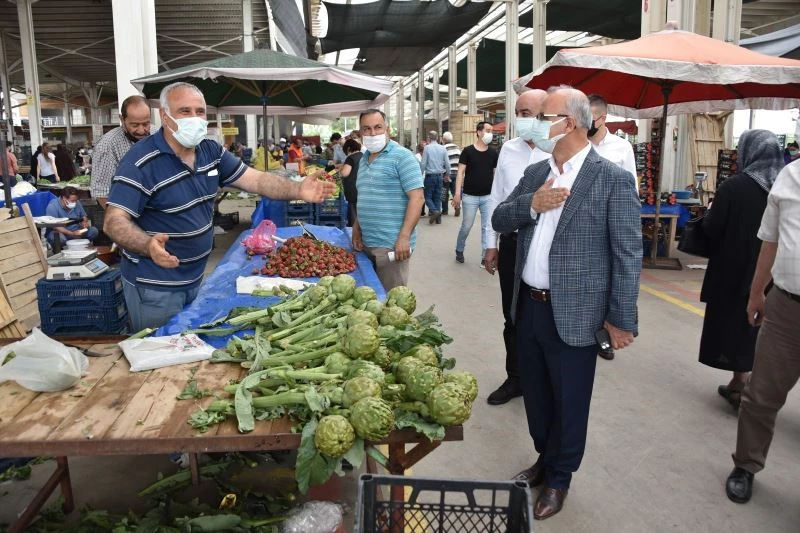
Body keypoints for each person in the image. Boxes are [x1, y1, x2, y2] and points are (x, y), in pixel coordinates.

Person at [492, 86, 641, 520]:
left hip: (575, 312)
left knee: (569, 399)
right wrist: (531, 205)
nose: (533, 125)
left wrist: (621, 319)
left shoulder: (610, 179)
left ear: (569, 123)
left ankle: (559, 478)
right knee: (536, 396)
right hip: (531, 307)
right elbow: (501, 217)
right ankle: (544, 456)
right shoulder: (538, 172)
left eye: (542, 116)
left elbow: (628, 253)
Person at [104, 82, 335, 332]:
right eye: (184, 111)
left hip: (194, 278)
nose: (195, 118)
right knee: (162, 356)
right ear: (164, 115)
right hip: (154, 287)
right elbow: (114, 220)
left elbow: (255, 179)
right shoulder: (140, 162)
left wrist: (298, 189)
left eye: (200, 111)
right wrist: (147, 245)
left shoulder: (209, 150)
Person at [725, 158, 800, 504]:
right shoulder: (791, 176)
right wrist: (757, 292)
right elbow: (769, 240)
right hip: (788, 307)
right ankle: (746, 465)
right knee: (762, 394)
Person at [700, 130, 784, 409]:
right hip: (776, 271)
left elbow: (712, 228)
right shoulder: (787, 186)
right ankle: (749, 383)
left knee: (737, 323)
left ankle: (741, 381)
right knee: (767, 328)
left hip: (732, 269)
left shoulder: (734, 187)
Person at [482, 89, 549, 406]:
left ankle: (542, 379)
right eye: (519, 113)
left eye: (529, 113)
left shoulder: (557, 151)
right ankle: (516, 378)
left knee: (543, 318)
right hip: (510, 243)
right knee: (513, 315)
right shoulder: (508, 149)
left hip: (544, 246)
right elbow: (495, 199)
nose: (522, 119)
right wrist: (490, 244)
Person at [587, 94, 639, 361]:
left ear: (602, 118)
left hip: (612, 225)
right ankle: (588, 332)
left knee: (609, 283)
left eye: (589, 118)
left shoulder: (621, 148)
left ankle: (606, 335)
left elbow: (632, 189)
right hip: (586, 225)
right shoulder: (579, 146)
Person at [351, 108, 424, 290]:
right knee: (371, 300)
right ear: (360, 133)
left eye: (378, 127)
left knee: (390, 303)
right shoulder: (364, 159)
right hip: (367, 243)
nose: (373, 133)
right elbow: (367, 196)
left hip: (392, 246)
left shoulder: (403, 157)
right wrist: (357, 226)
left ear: (387, 130)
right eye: (367, 129)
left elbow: (417, 198)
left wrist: (404, 238)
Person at [91, 95, 151, 208]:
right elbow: (102, 194)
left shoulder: (156, 135)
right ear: (122, 119)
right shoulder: (107, 145)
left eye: (146, 124)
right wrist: (123, 221)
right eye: (135, 125)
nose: (142, 130)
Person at [453, 121, 498, 264]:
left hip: (488, 197)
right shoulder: (467, 151)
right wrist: (457, 194)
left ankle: (485, 257)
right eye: (487, 130)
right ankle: (459, 249)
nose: (490, 134)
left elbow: (497, 175)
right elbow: (460, 173)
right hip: (470, 196)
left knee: (487, 227)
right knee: (466, 226)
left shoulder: (493, 153)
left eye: (491, 131)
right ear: (479, 132)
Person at [420, 131, 450, 224]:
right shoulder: (443, 148)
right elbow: (447, 164)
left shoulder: (427, 148)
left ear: (429, 138)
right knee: (437, 197)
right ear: (437, 138)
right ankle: (438, 219)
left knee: (427, 196)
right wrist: (447, 174)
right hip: (440, 176)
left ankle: (434, 211)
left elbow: (423, 163)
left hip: (430, 176)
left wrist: (420, 174)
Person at [341, 138, 362, 227]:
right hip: (363, 188)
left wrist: (338, 172)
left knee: (353, 213)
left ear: (349, 148)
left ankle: (353, 232)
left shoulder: (350, 158)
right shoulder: (363, 155)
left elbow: (345, 173)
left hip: (353, 190)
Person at [441, 131, 460, 215]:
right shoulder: (457, 148)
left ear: (444, 139)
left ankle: (445, 210)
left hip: (447, 174)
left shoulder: (443, 148)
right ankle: (457, 207)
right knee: (454, 191)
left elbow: (442, 162)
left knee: (444, 191)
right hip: (456, 173)